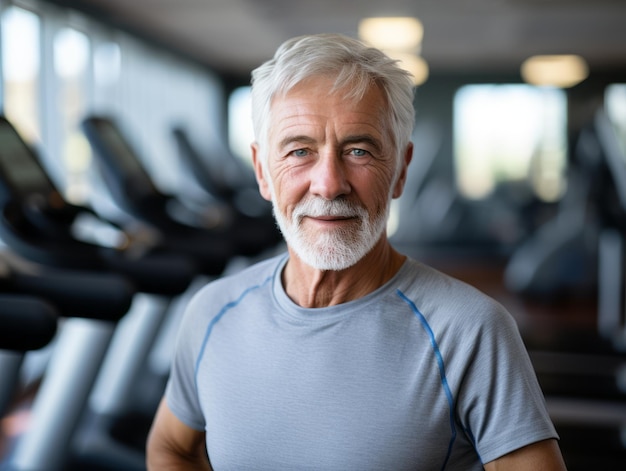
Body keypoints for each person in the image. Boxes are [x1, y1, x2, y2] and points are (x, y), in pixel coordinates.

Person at [146, 33, 567, 470]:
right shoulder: (211, 312)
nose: (329, 184)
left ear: (401, 171)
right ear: (262, 172)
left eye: (358, 150)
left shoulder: (470, 330)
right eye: (300, 151)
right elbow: (172, 448)